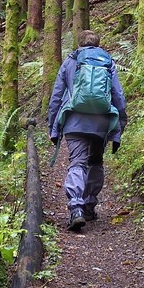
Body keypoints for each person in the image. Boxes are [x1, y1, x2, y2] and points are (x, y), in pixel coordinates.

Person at [47, 30, 129, 232]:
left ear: (79, 43)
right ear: (98, 43)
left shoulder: (71, 60)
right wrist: (120, 122)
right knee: (95, 162)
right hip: (101, 122)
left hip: (74, 121)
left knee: (78, 162)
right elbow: (117, 94)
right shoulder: (107, 61)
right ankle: (90, 205)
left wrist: (53, 126)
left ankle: (76, 208)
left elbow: (57, 95)